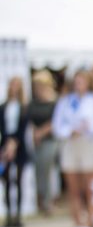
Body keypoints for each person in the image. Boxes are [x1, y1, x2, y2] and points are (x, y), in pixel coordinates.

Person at [52, 70, 93, 227]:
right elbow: (57, 125)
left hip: (90, 146)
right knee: (74, 189)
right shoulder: (66, 101)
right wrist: (69, 132)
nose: (79, 85)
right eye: (76, 81)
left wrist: (88, 128)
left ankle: (90, 225)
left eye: (82, 81)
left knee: (91, 189)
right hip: (71, 146)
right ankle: (78, 224)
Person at [26, 71, 59, 215]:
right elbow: (29, 119)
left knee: (46, 170)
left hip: (49, 140)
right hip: (34, 140)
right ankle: (39, 200)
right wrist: (34, 133)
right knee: (38, 171)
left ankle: (47, 201)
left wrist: (40, 133)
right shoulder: (33, 102)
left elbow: (55, 121)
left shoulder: (54, 101)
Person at [1, 77, 29, 227]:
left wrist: (14, 143)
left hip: (20, 147)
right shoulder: (3, 107)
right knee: (5, 181)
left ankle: (17, 215)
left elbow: (23, 128)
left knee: (18, 181)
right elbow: (3, 127)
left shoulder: (24, 107)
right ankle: (8, 215)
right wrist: (6, 145)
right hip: (4, 147)